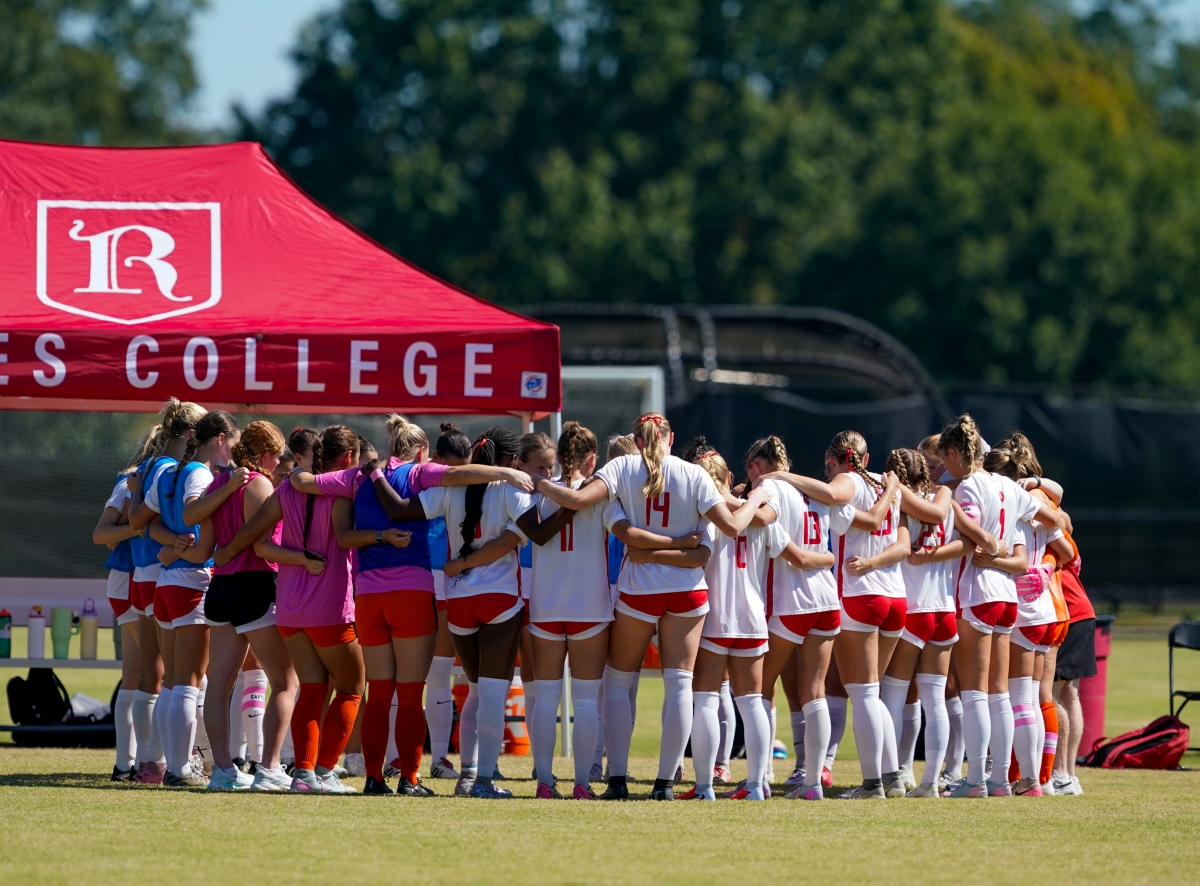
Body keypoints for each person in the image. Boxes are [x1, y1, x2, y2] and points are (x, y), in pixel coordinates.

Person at [530, 413, 771, 801]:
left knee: (620, 682)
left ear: (638, 440)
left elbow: (582, 504)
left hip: (639, 590)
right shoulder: (693, 474)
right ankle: (663, 784)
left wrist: (535, 480)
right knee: (681, 685)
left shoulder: (623, 466)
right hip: (688, 593)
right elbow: (731, 527)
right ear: (670, 438)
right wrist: (754, 499)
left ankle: (618, 780)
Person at [293, 414, 536, 795]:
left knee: (378, 693)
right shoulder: (421, 473)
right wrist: (504, 475)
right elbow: (457, 477)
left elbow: (303, 481)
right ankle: (409, 778)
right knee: (410, 695)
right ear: (422, 451)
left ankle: (373, 778)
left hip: (368, 596)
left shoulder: (357, 476)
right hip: (412, 591)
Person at [364, 425, 558, 799]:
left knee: (473, 691)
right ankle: (482, 780)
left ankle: (468, 776)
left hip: (458, 604)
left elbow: (397, 509)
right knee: (492, 693)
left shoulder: (451, 490)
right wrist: (568, 501)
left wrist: (373, 473)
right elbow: (541, 533)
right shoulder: (511, 488)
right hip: (500, 600)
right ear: (513, 461)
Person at [216, 425, 365, 794]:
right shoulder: (346, 486)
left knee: (312, 686)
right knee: (351, 687)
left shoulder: (286, 487)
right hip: (330, 606)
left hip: (289, 609)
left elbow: (259, 542)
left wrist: (226, 553)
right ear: (346, 458)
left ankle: (303, 773)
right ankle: (325, 772)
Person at [937, 414, 1062, 798]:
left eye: (945, 459)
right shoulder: (1007, 485)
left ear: (957, 453)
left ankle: (977, 780)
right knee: (1002, 693)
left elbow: (975, 535)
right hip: (1008, 597)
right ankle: (1010, 781)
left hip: (978, 593)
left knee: (975, 692)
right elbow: (1056, 517)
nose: (944, 468)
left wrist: (958, 515)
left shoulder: (968, 488)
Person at [678, 446, 792, 801]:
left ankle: (704, 787)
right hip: (753, 617)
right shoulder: (758, 512)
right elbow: (778, 546)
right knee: (752, 701)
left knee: (706, 701)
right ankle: (757, 784)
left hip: (714, 617)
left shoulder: (700, 512)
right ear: (729, 477)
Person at [198, 420, 299, 792]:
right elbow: (258, 541)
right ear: (268, 455)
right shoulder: (258, 483)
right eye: (276, 457)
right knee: (285, 681)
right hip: (254, 584)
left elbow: (206, 544)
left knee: (219, 684)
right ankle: (270, 767)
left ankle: (223, 770)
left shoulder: (218, 483)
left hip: (221, 588)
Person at [146, 410, 244, 787]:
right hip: (192, 581)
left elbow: (146, 520)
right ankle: (179, 769)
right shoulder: (200, 474)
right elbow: (193, 511)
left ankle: (171, 765)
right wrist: (228, 489)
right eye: (231, 445)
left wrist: (170, 544)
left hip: (168, 582)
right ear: (219, 438)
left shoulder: (168, 470)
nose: (232, 456)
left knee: (173, 683)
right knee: (187, 682)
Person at [525, 423, 620, 800]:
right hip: (590, 609)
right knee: (584, 701)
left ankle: (545, 782)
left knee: (546, 698)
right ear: (592, 459)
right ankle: (582, 783)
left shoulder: (538, 492)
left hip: (546, 606)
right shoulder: (599, 495)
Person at [125, 399, 207, 784]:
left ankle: (150, 761)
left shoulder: (151, 468)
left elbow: (137, 521)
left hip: (148, 576)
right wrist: (175, 541)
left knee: (156, 677)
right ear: (193, 435)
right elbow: (140, 523)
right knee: (172, 679)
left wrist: (140, 496)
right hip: (170, 573)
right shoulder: (176, 470)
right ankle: (167, 762)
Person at [875, 448, 961, 797]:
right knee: (934, 700)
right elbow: (967, 540)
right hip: (944, 610)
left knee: (893, 695)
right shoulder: (943, 498)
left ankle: (891, 776)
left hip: (914, 609)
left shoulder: (898, 502)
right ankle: (928, 783)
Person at [93, 424, 165, 781]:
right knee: (147, 673)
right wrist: (135, 528)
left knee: (138, 674)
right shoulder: (132, 482)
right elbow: (101, 534)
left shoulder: (151, 478)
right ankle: (141, 763)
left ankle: (128, 764)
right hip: (128, 580)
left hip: (133, 580)